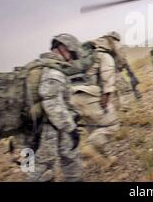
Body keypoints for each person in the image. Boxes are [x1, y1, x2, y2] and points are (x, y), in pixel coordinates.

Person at [29, 33, 83, 182]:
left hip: (39, 128)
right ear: (63, 48)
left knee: (68, 155)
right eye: (72, 54)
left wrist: (73, 113)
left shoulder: (42, 66)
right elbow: (52, 103)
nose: (71, 59)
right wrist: (71, 128)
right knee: (42, 170)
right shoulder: (53, 72)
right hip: (45, 130)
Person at [69, 36, 120, 170]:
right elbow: (108, 77)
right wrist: (107, 96)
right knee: (112, 126)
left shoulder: (81, 60)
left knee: (94, 128)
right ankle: (89, 148)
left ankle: (106, 159)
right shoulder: (104, 56)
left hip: (72, 98)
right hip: (89, 96)